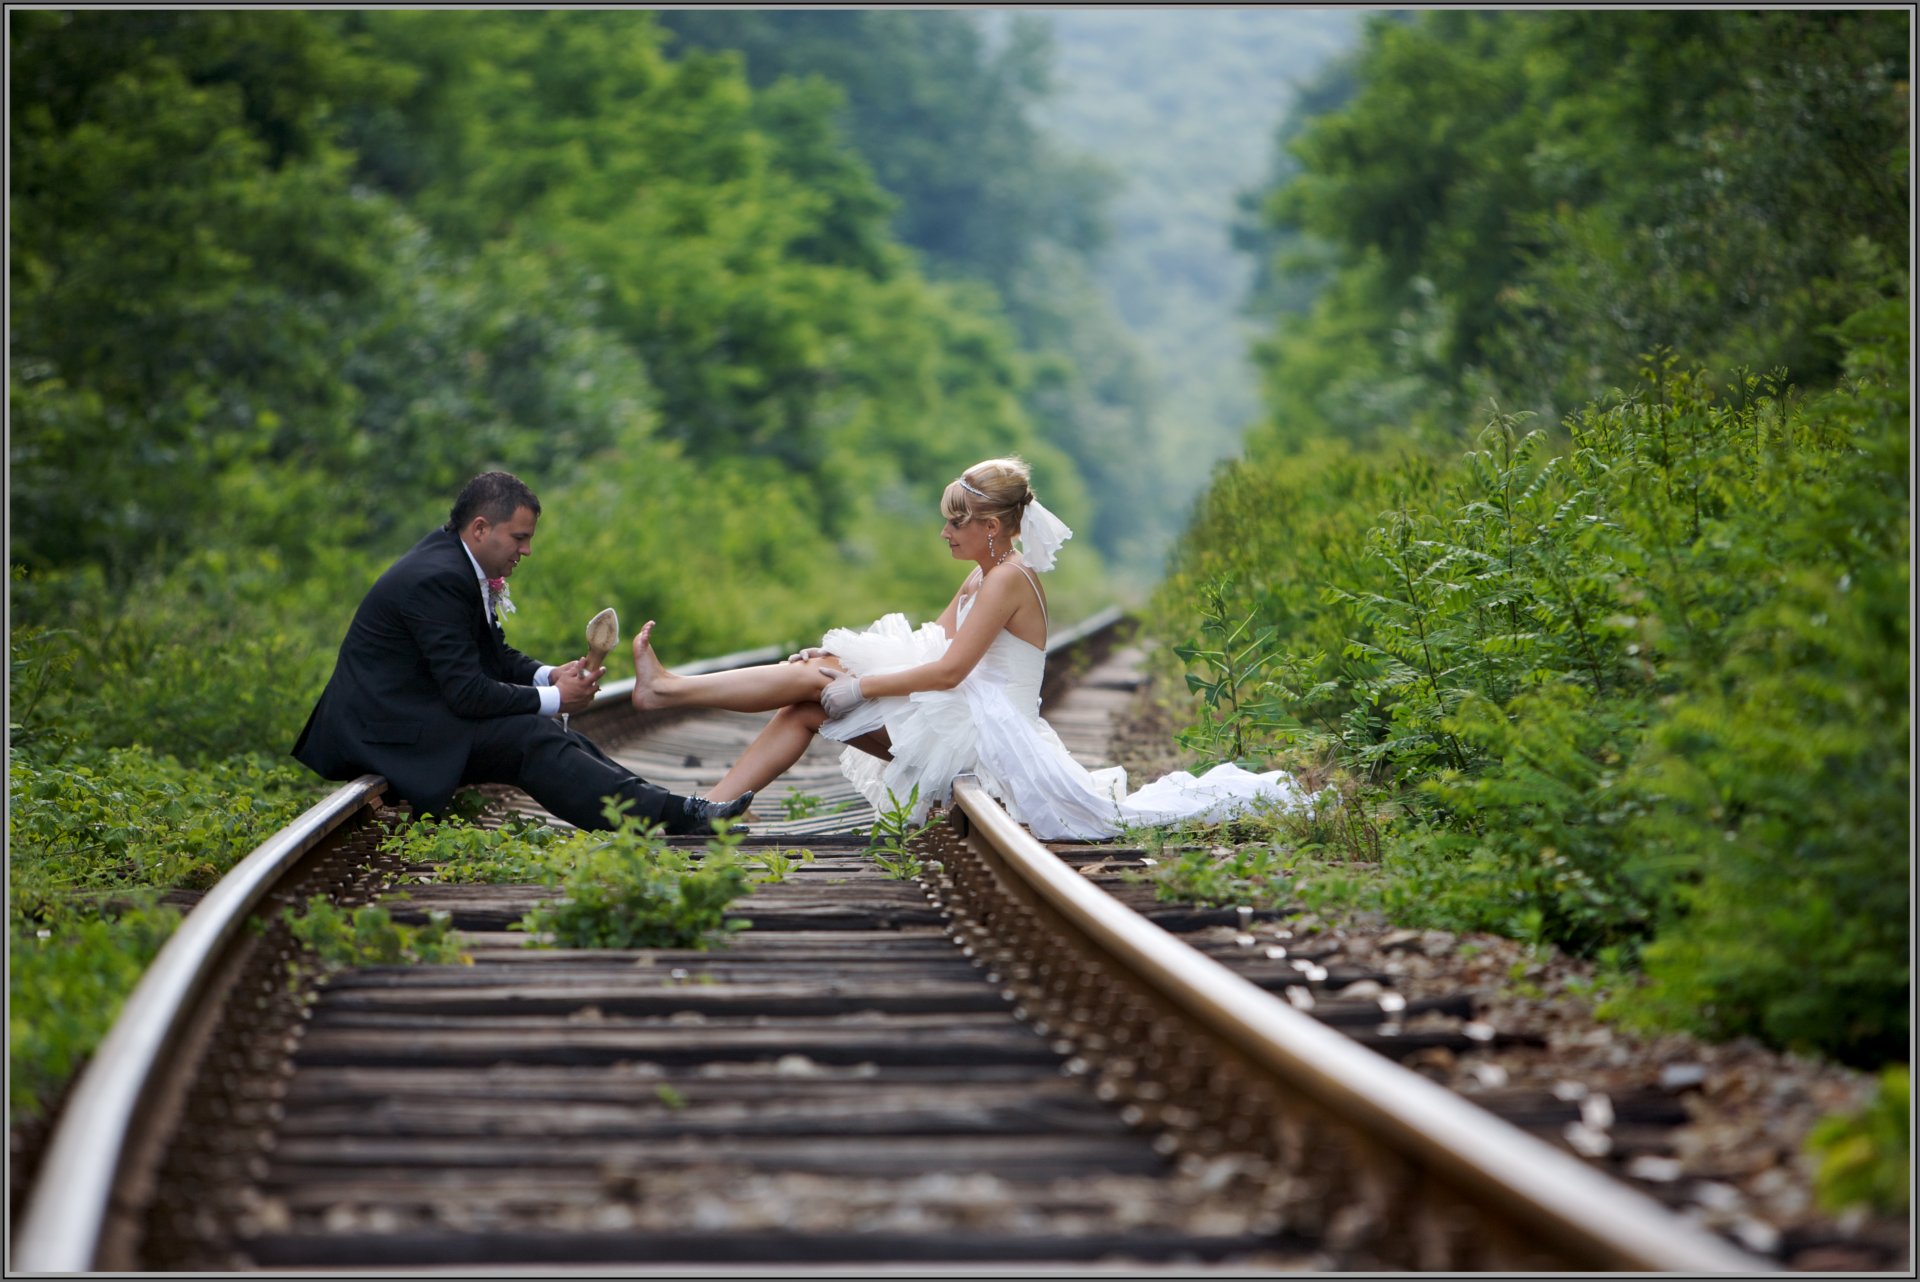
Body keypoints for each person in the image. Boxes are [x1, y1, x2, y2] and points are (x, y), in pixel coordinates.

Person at [625, 457, 1323, 841]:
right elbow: (932, 642)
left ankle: (674, 693)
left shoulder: (1010, 581)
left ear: (992, 526)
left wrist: (861, 685)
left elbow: (955, 669)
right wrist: (843, 664)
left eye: (956, 523)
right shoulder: (984, 574)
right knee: (810, 695)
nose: (946, 534)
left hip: (990, 733)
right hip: (961, 712)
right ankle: (711, 805)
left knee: (822, 688)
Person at [292, 471, 753, 834]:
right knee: (530, 737)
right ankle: (670, 815)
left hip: (407, 715)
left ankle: (671, 810)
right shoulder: (438, 578)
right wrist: (556, 701)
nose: (527, 550)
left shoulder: (453, 562)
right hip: (384, 730)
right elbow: (467, 693)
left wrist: (550, 676)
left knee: (540, 733)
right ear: (480, 528)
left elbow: (492, 654)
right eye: (519, 538)